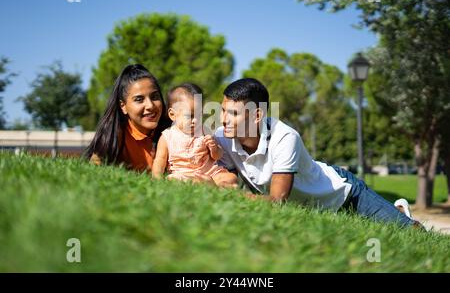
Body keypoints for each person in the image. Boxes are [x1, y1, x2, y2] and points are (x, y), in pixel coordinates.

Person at [214, 78, 423, 229]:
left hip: (344, 194)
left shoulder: (285, 137)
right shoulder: (222, 137)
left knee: (410, 232)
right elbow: (227, 179)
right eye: (223, 110)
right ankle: (395, 211)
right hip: (312, 211)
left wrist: (234, 197)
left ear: (257, 115)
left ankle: (401, 214)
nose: (224, 119)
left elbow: (278, 201)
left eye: (233, 113)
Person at [85, 64, 170, 173]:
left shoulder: (174, 130)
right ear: (123, 106)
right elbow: (92, 171)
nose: (150, 105)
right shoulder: (115, 133)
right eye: (139, 99)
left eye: (155, 97)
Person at [153, 83, 238, 188]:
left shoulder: (204, 130)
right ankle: (212, 185)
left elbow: (217, 156)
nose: (196, 120)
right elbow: (160, 160)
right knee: (173, 179)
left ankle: (214, 184)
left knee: (230, 177)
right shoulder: (167, 136)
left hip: (209, 173)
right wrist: (157, 178)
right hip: (184, 174)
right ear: (172, 115)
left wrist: (214, 147)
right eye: (191, 115)